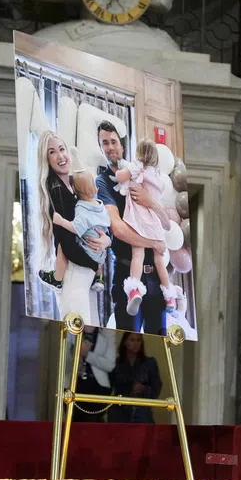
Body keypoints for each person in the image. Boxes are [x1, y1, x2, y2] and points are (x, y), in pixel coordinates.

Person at [95, 121, 166, 334]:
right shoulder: (103, 183)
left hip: (155, 274)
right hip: (127, 273)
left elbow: (165, 223)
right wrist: (153, 242)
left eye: (113, 141)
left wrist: (150, 201)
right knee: (126, 342)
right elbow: (118, 229)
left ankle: (171, 294)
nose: (110, 147)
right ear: (101, 148)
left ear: (122, 146)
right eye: (104, 143)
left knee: (160, 343)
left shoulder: (143, 172)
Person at [34, 132, 110, 326]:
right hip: (75, 273)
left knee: (89, 328)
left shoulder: (76, 184)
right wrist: (94, 264)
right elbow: (67, 243)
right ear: (46, 159)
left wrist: (107, 241)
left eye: (62, 149)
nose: (60, 156)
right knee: (77, 336)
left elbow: (97, 221)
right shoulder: (56, 190)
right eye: (52, 152)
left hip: (84, 274)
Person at [109, 138, 181, 316]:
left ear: (138, 153)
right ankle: (170, 297)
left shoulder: (136, 167)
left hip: (139, 220)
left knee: (138, 256)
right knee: (159, 261)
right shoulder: (156, 175)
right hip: (155, 222)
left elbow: (120, 176)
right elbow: (165, 220)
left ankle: (134, 290)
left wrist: (119, 172)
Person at [47, 170, 110, 293]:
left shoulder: (81, 207)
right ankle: (99, 278)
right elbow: (107, 223)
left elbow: (76, 228)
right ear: (96, 189)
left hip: (88, 250)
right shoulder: (100, 204)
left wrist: (61, 221)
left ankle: (57, 279)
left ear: (74, 190)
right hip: (102, 252)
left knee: (61, 247)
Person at [107, 332, 162, 424]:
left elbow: (156, 388)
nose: (136, 343)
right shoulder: (116, 363)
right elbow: (109, 386)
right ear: (125, 342)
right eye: (132, 340)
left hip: (142, 411)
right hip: (120, 411)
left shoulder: (149, 363)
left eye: (138, 340)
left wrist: (143, 388)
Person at [69, 328, 117, 423]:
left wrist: (87, 355)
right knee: (74, 423)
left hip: (98, 387)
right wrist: (76, 352)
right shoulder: (72, 329)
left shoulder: (108, 333)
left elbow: (110, 365)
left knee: (93, 422)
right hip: (74, 384)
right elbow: (64, 361)